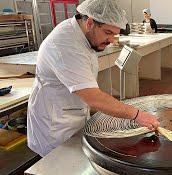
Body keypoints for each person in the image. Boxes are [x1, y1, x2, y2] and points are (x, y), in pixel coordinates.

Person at [27, 0, 160, 157]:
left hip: (72, 112)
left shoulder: (83, 35)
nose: (111, 40)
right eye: (108, 33)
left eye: (115, 34)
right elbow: (93, 97)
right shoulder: (65, 46)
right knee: (59, 163)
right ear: (90, 23)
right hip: (55, 125)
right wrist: (137, 115)